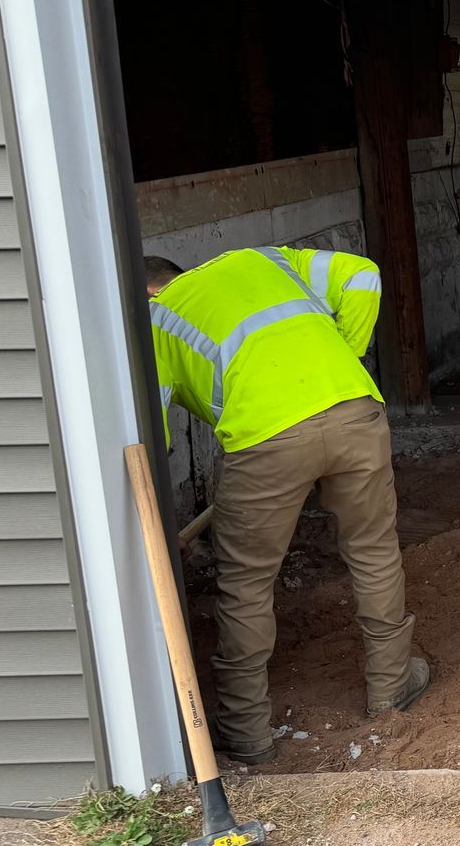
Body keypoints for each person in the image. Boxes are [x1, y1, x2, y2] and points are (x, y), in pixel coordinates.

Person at [146, 246, 429, 764]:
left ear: (147, 292)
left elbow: (153, 439)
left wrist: (162, 529)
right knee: (373, 550)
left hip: (265, 441)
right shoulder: (263, 259)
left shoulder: (155, 320)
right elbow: (365, 273)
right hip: (353, 410)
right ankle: (391, 686)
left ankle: (246, 731)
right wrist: (347, 352)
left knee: (247, 581)